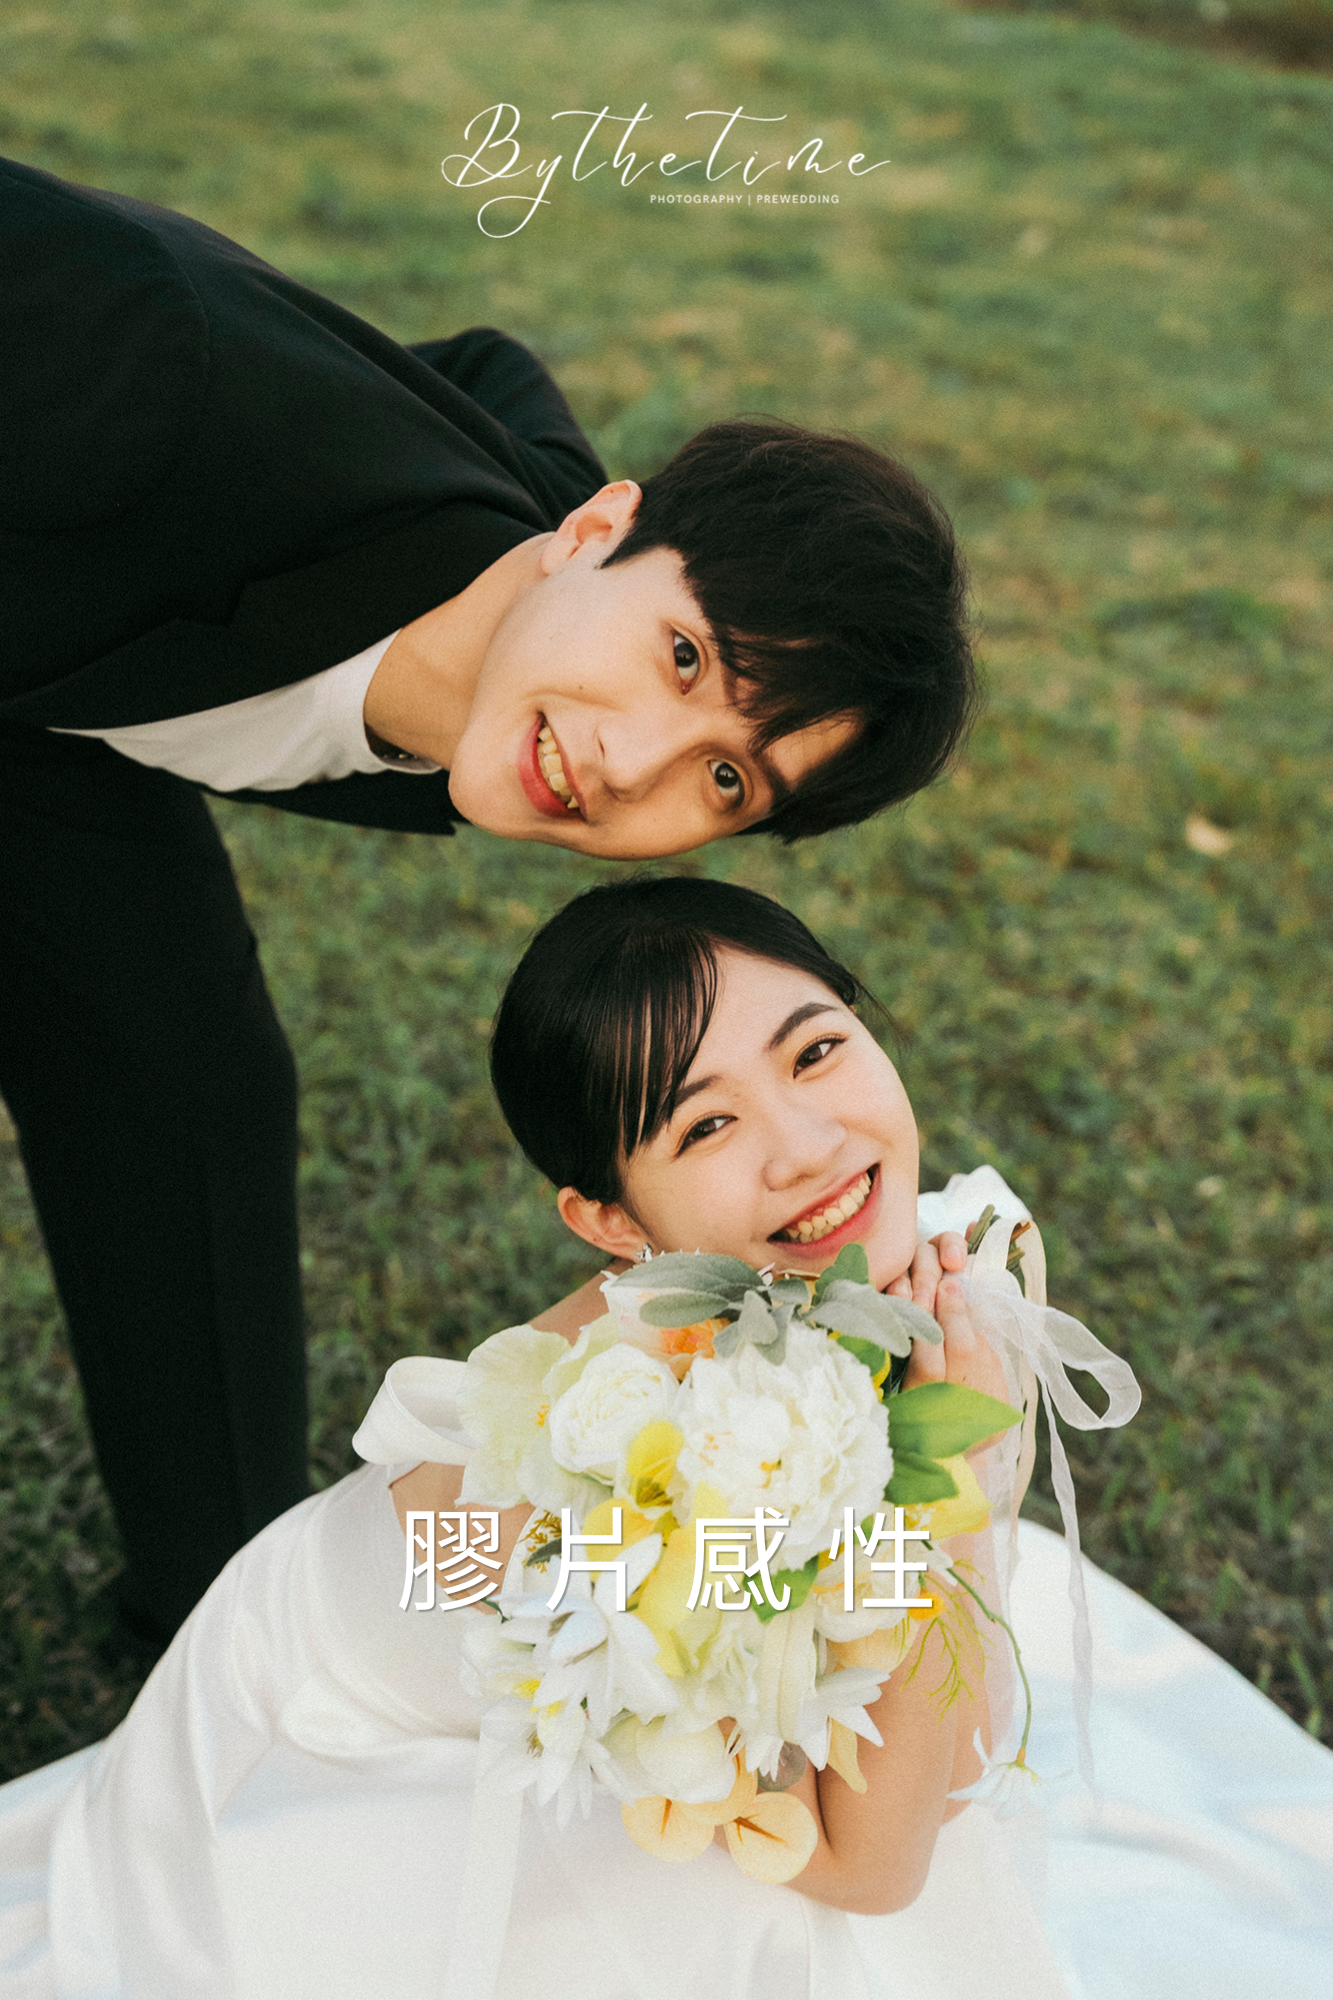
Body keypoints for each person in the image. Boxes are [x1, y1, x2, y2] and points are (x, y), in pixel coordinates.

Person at [0, 153, 976, 1648]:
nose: (628, 764)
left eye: (725, 779)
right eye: (682, 656)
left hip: (61, 694)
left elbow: (485, 369)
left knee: (186, 1082)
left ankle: (224, 1634)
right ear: (595, 531)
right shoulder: (131, 363)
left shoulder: (527, 620)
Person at [0, 878, 1150, 1999]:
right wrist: (940, 1491)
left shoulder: (932, 1264)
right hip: (337, 1720)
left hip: (563, 1622)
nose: (807, 1145)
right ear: (609, 1219)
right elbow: (869, 1865)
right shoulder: (632, 1463)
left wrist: (943, 1493)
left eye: (814, 1050)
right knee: (746, 1906)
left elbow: (954, 1748)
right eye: (706, 1122)